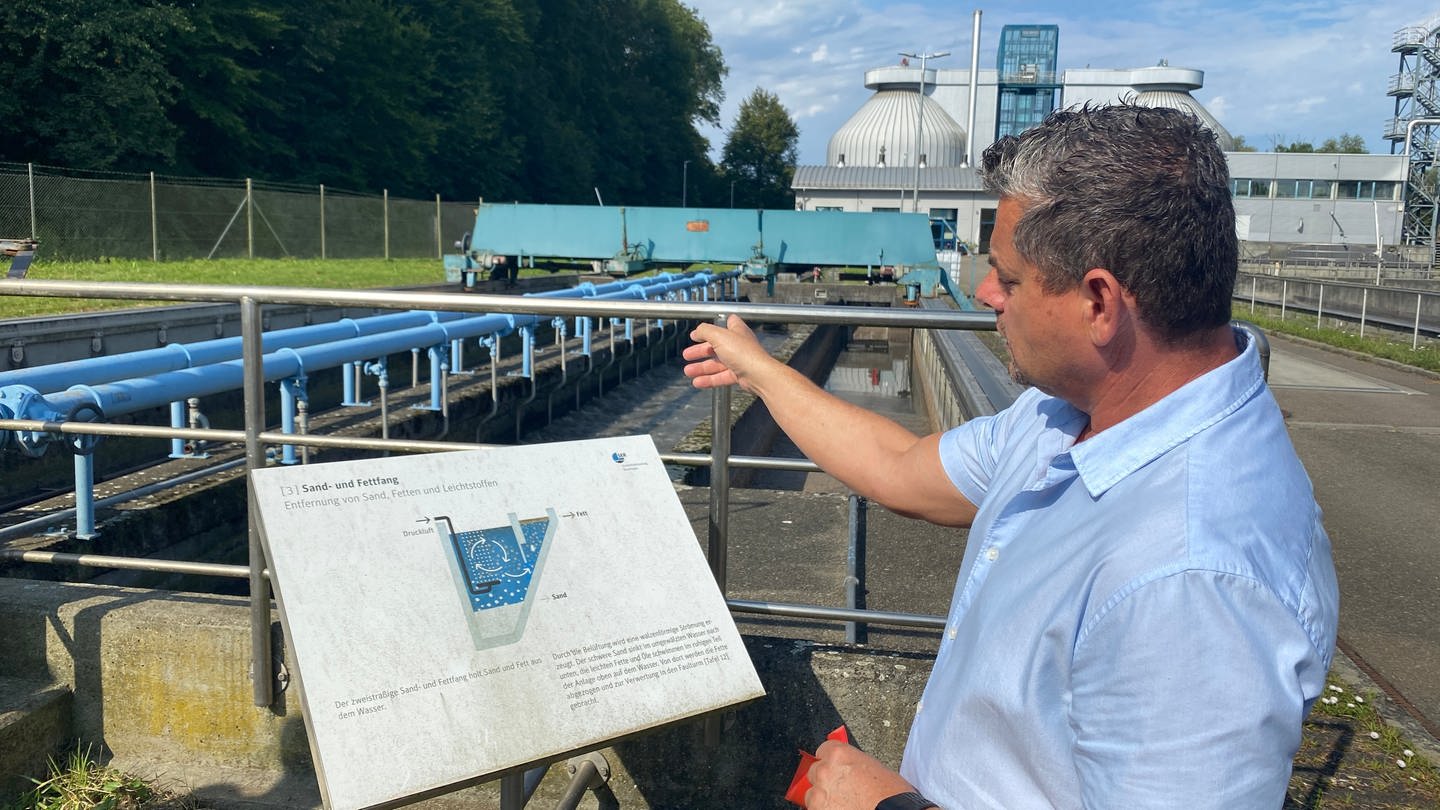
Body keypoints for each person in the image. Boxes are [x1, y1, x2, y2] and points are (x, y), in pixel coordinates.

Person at [682, 104, 1339, 810]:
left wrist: (888, 807)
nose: (987, 296)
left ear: (1099, 303)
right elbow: (902, 465)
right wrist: (759, 370)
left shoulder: (1192, 576)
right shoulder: (1070, 417)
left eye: (1009, 277)